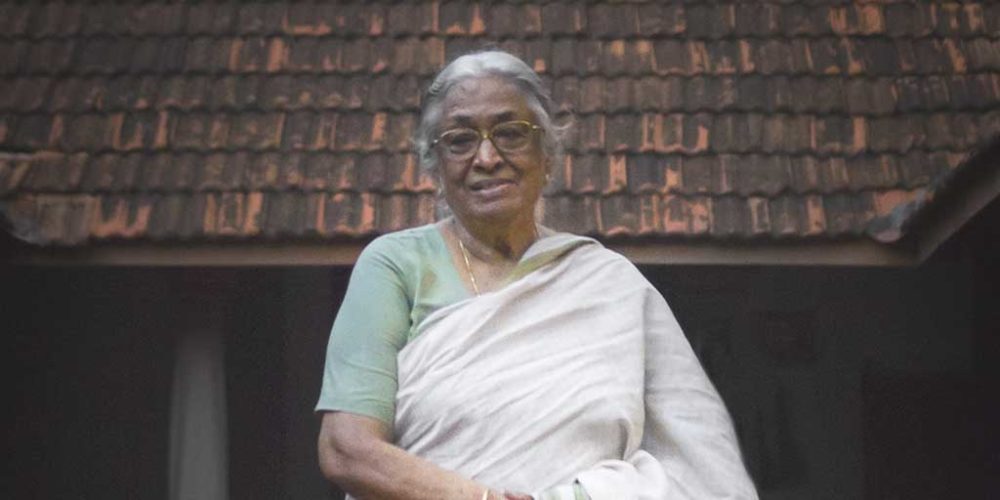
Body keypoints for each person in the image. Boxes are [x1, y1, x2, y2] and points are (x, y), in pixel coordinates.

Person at [315, 50, 758, 500]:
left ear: (547, 156)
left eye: (510, 133)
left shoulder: (610, 285)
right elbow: (346, 449)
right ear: (436, 166)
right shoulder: (394, 266)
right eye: (459, 140)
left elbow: (697, 460)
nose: (486, 157)